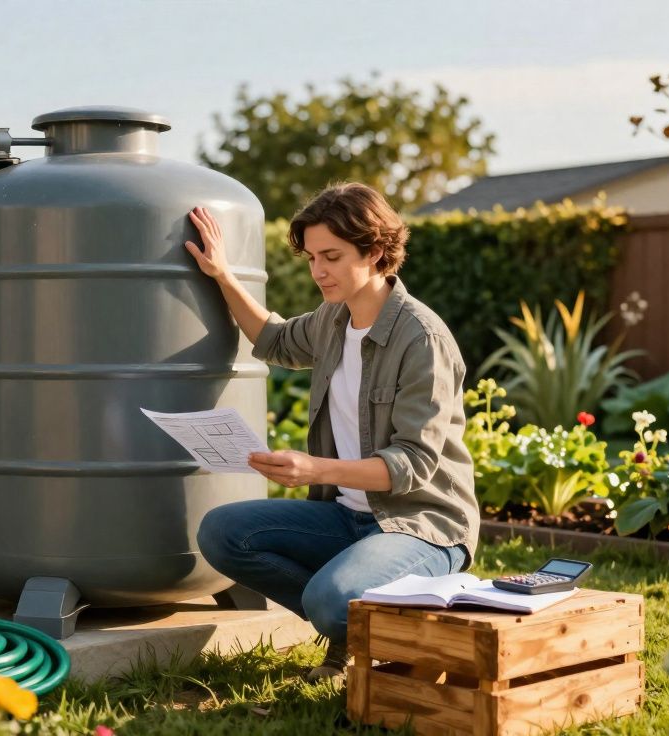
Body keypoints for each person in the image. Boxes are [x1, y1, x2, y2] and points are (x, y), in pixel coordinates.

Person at [184, 182, 479, 683]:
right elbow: (274, 339)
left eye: (333, 256)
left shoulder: (420, 338)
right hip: (346, 518)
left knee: (329, 598)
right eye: (312, 258)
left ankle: (391, 624)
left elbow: (412, 466)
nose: (319, 271)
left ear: (377, 252)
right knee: (222, 532)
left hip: (422, 527)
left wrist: (314, 468)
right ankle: (352, 627)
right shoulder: (331, 321)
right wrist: (223, 275)